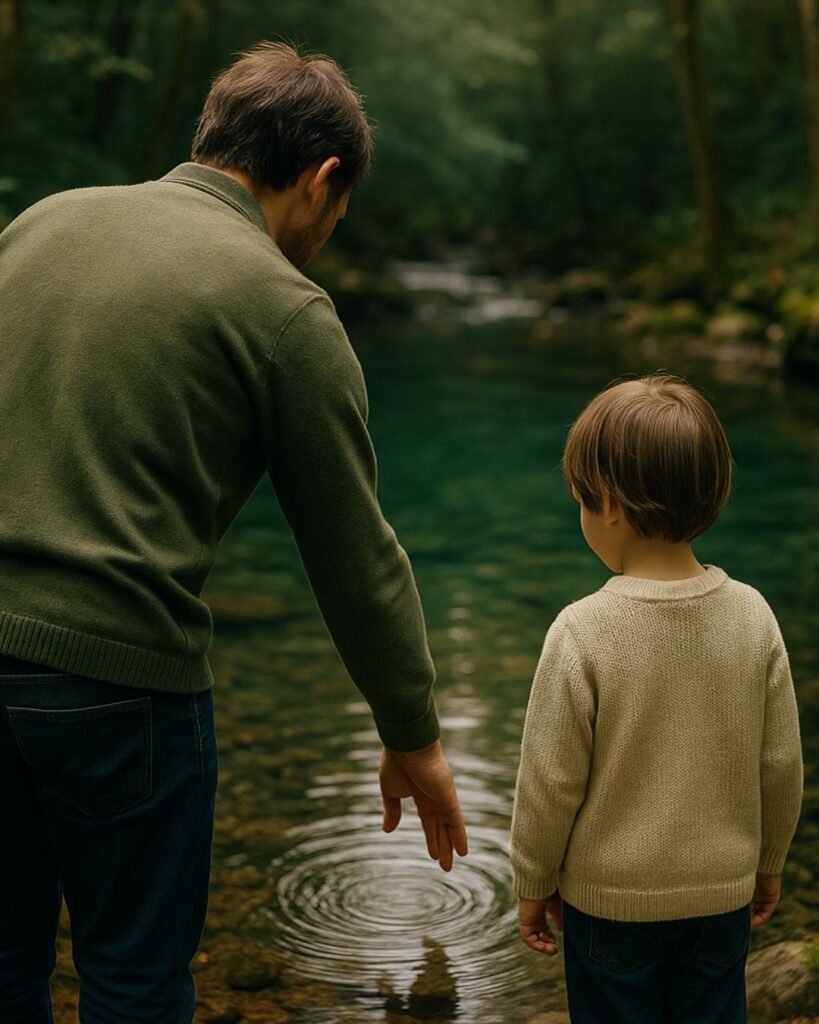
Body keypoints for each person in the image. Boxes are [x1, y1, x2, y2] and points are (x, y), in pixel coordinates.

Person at [0, 41, 467, 1024]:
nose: (330, 232)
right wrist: (412, 733)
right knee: (131, 982)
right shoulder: (282, 306)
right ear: (321, 178)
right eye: (339, 211)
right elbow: (355, 558)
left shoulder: (41, 222)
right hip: (117, 683)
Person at [509, 372, 803, 1024]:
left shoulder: (581, 629)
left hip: (608, 909)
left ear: (608, 504)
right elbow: (780, 764)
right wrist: (768, 863)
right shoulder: (753, 615)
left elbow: (550, 781)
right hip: (721, 899)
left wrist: (533, 880)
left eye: (580, 501)